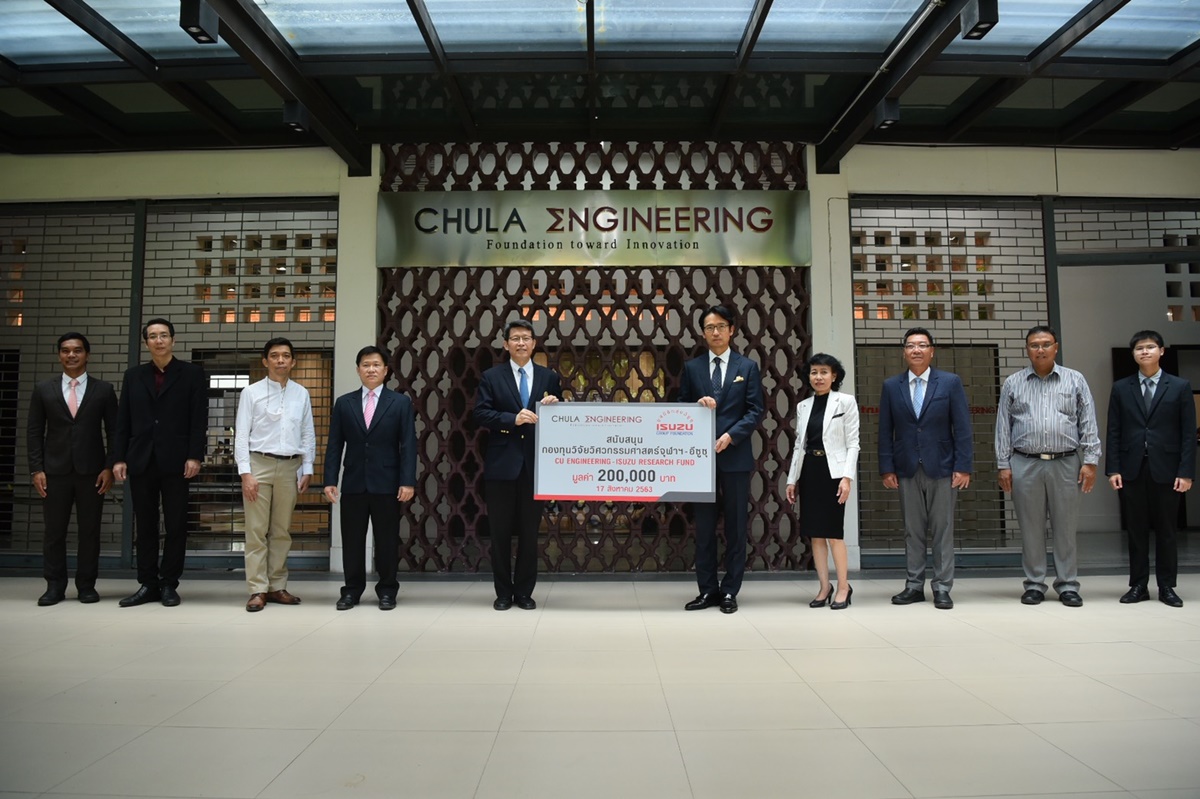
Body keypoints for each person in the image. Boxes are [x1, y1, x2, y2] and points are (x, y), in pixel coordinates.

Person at [996, 325, 1100, 607]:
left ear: (1056, 347)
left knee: (1065, 527)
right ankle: (1034, 584)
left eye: (1045, 344)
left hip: (1066, 462)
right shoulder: (1013, 383)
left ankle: (1067, 584)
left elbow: (1088, 421)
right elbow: (1003, 426)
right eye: (1034, 345)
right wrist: (1003, 464)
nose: (1040, 349)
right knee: (1030, 528)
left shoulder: (1075, 379)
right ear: (1027, 349)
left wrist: (1091, 461)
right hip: (1024, 463)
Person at [112, 318, 207, 607]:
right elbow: (123, 420)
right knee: (146, 524)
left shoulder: (191, 374)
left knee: (176, 524)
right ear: (146, 343)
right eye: (152, 336)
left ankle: (169, 583)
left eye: (164, 335)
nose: (159, 340)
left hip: (177, 460)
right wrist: (118, 457)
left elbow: (198, 419)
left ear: (173, 340)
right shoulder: (134, 376)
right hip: (141, 459)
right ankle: (148, 583)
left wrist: (195, 455)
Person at [878, 327, 972, 610]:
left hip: (942, 467)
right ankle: (914, 585)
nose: (916, 350)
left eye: (922, 345)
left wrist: (963, 466)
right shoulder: (891, 386)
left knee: (943, 530)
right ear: (904, 352)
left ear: (932, 350)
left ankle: (942, 587)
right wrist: (886, 468)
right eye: (910, 345)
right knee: (912, 530)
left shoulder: (950, 382)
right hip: (906, 467)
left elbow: (963, 427)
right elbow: (885, 430)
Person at [678, 304, 764, 614]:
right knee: (703, 528)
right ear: (703, 333)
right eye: (709, 327)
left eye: (721, 326)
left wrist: (732, 435)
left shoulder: (747, 367)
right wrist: (696, 406)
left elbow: (755, 410)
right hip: (701, 459)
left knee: (736, 527)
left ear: (731, 330)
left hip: (735, 456)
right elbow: (680, 408)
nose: (715, 332)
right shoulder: (692, 368)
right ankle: (707, 590)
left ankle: (729, 591)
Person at [473, 319, 562, 611]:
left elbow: (561, 418)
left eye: (526, 338)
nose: (521, 343)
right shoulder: (491, 376)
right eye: (515, 338)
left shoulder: (549, 377)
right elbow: (481, 413)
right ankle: (502, 593)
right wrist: (512, 419)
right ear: (506, 344)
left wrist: (556, 406)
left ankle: (524, 592)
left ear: (534, 344)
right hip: (502, 465)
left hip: (535, 466)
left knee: (529, 532)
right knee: (499, 532)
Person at [27, 332, 118, 606]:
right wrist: (36, 469)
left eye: (77, 350)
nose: (71, 355)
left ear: (87, 354)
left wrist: (109, 467)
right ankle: (54, 586)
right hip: (54, 472)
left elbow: (114, 432)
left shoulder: (104, 390)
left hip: (93, 472)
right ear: (59, 355)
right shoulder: (44, 389)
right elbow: (34, 431)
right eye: (65, 350)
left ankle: (86, 586)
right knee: (54, 532)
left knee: (89, 532)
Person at [323, 346, 417, 611]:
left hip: (387, 483)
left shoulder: (400, 403)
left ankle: (387, 590)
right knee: (352, 540)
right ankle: (351, 591)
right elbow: (334, 444)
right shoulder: (344, 403)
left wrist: (407, 481)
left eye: (376, 365)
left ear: (386, 370)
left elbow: (408, 445)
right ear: (358, 370)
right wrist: (330, 479)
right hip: (354, 482)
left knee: (387, 540)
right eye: (366, 365)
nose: (371, 369)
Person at [1105, 330, 1194, 608]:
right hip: (1131, 468)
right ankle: (1138, 585)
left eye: (1150, 347)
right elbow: (1114, 430)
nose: (1145, 351)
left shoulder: (1179, 386)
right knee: (1136, 530)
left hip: (1168, 469)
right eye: (1139, 348)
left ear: (1161, 351)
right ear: (1133, 354)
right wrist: (1113, 469)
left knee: (1167, 530)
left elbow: (1188, 433)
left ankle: (1167, 586)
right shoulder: (1121, 388)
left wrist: (1186, 472)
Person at [234, 338, 316, 613]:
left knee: (281, 530)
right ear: (265, 361)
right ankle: (257, 589)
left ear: (293, 362)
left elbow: (307, 432)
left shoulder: (301, 394)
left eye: (286, 356)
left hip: (290, 467)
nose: (281, 360)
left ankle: (277, 586)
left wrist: (308, 467)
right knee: (256, 530)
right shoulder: (251, 393)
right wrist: (245, 473)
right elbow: (241, 434)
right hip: (259, 464)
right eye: (275, 355)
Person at [786, 353, 860, 610]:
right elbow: (799, 444)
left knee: (833, 533)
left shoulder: (845, 402)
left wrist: (847, 478)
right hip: (810, 470)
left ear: (834, 376)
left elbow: (853, 443)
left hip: (834, 473)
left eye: (824, 372)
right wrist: (792, 479)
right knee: (815, 534)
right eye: (814, 372)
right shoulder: (804, 406)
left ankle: (843, 587)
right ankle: (824, 586)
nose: (818, 377)